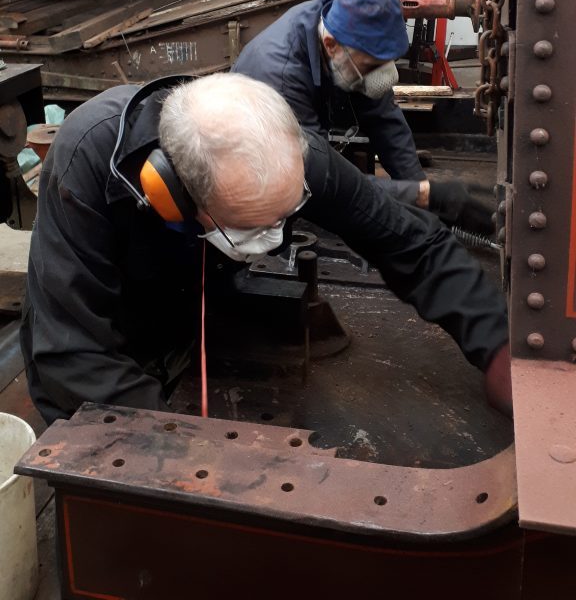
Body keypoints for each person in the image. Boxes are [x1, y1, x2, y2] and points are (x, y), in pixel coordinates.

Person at [21, 72, 511, 426]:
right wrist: (185, 444)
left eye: (283, 218)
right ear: (172, 195)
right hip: (111, 341)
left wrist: (496, 346)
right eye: (250, 228)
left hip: (198, 321)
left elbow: (411, 241)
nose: (272, 240)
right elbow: (73, 352)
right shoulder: (88, 156)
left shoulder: (287, 153)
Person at [233, 0, 491, 230]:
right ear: (331, 46)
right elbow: (316, 178)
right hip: (253, 171)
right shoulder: (282, 77)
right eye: (372, 66)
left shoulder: (348, 34)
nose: (382, 76)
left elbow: (385, 120)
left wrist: (421, 189)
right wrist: (422, 195)